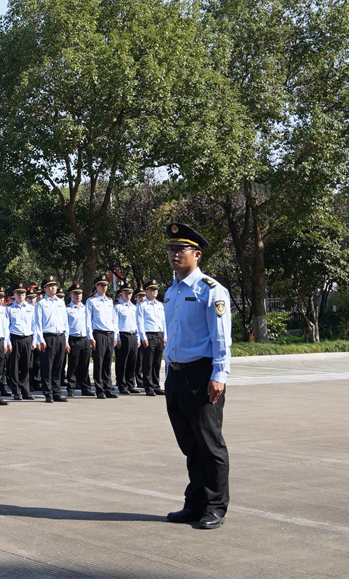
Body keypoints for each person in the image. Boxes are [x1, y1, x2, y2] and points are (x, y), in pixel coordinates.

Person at [161, 222, 232, 531]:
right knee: (190, 445)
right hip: (176, 375)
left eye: (181, 250)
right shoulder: (171, 291)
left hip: (202, 375)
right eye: (171, 250)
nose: (174, 255)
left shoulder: (210, 290)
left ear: (197, 254)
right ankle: (195, 503)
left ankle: (215, 505)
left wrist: (219, 375)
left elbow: (221, 339)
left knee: (209, 445)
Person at [32, 276, 69, 403]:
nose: (53, 288)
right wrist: (40, 339)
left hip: (60, 336)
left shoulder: (61, 302)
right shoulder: (41, 304)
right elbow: (37, 323)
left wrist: (66, 339)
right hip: (48, 337)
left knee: (58, 366)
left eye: (54, 285)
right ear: (45, 288)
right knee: (47, 366)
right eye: (50, 286)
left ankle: (57, 391)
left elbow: (65, 322)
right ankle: (48, 393)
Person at [85, 277, 119, 398]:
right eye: (101, 285)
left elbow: (113, 320)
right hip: (98, 333)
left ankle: (108, 388)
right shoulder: (92, 301)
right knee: (99, 362)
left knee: (108, 362)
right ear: (96, 286)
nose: (104, 287)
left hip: (109, 333)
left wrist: (115, 335)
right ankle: (100, 389)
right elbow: (88, 320)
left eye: (105, 285)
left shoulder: (110, 301)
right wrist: (90, 337)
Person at [5, 285, 36, 400]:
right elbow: (6, 326)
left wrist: (34, 340)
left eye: (23, 294)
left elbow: (34, 324)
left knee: (26, 366)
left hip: (27, 338)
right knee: (14, 366)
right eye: (18, 294)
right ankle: (16, 391)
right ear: (14, 295)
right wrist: (7, 342)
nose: (20, 296)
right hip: (15, 338)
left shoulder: (30, 308)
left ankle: (25, 391)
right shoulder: (9, 308)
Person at [114, 284, 144, 394]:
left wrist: (138, 338)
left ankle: (131, 384)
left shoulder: (134, 308)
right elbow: (115, 324)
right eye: (126, 293)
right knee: (122, 362)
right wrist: (117, 338)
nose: (128, 295)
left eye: (130, 293)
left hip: (133, 335)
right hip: (123, 335)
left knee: (132, 361)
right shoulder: (118, 307)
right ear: (121, 293)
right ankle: (122, 385)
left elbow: (137, 323)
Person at [138, 281, 165, 397]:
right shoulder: (142, 305)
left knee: (157, 362)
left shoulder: (160, 305)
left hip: (159, 335)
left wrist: (165, 336)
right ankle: (148, 386)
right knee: (148, 362)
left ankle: (156, 385)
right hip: (149, 335)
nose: (154, 291)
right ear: (146, 291)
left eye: (155, 289)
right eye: (151, 289)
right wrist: (143, 337)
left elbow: (163, 321)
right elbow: (140, 323)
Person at [64, 285, 91, 395]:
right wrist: (66, 341)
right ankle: (71, 388)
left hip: (85, 338)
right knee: (73, 364)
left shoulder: (86, 309)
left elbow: (89, 325)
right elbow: (65, 326)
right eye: (75, 293)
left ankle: (85, 388)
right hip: (73, 339)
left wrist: (90, 338)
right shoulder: (68, 309)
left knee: (85, 364)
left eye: (79, 293)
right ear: (70, 295)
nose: (78, 295)